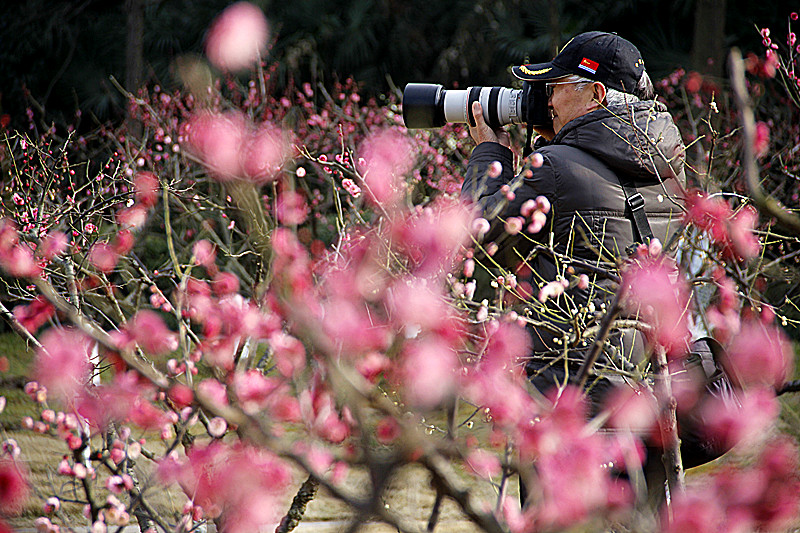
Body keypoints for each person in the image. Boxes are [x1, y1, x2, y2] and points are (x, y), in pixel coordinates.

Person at [461, 31, 724, 507]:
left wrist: (490, 157)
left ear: (595, 93)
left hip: (572, 404)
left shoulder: (557, 167)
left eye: (557, 86)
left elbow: (475, 244)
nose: (545, 99)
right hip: (649, 402)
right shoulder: (669, 168)